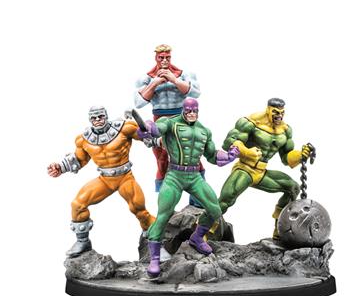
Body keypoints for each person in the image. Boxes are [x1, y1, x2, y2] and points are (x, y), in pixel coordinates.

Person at [138, 98, 239, 277]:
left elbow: (212, 156)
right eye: (188, 110)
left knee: (215, 210)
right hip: (174, 176)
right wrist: (148, 127)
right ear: (183, 110)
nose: (191, 113)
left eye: (194, 111)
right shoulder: (171, 123)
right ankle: (154, 258)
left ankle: (197, 237)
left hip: (194, 176)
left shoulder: (204, 130)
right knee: (163, 215)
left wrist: (229, 156)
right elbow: (157, 128)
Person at [198, 98, 314, 240]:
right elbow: (229, 143)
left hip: (261, 172)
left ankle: (280, 229)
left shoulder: (285, 130)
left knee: (293, 188)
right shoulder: (251, 122)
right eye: (276, 112)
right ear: (268, 109)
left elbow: (287, 158)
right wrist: (246, 152)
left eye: (282, 113)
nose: (279, 116)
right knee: (225, 200)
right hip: (244, 169)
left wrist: (300, 155)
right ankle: (200, 232)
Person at [47, 106, 155, 257]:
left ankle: (156, 241)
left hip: (125, 177)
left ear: (106, 116)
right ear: (90, 119)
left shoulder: (124, 128)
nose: (97, 120)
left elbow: (148, 137)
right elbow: (79, 160)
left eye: (100, 116)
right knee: (78, 205)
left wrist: (150, 132)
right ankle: (82, 241)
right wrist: (60, 167)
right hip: (105, 180)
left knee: (140, 210)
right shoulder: (83, 139)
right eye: (94, 118)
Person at [134, 45, 202, 200]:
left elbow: (196, 93)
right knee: (161, 159)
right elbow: (138, 103)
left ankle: (197, 200)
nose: (164, 60)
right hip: (159, 119)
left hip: (182, 118)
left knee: (192, 156)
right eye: (161, 57)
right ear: (156, 58)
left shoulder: (183, 74)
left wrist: (174, 80)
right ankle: (165, 202)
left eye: (167, 57)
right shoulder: (146, 78)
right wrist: (154, 83)